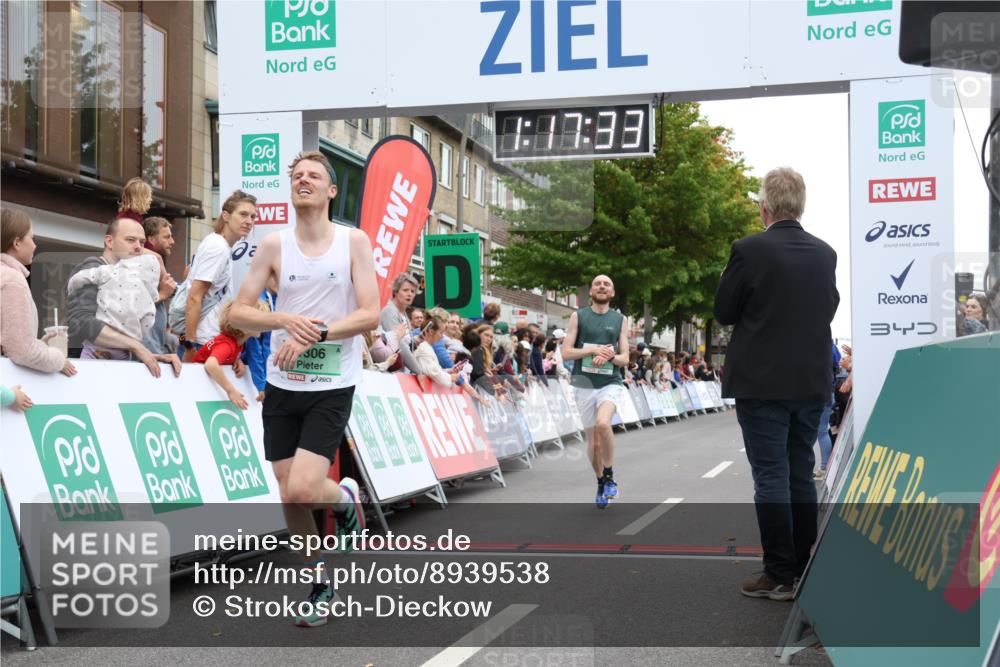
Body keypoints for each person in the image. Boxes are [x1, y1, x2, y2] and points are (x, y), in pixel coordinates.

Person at [229, 150, 378, 628]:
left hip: (333, 380)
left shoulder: (353, 242)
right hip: (282, 381)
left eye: (314, 176)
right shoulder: (274, 246)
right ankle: (319, 584)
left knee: (305, 487)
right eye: (296, 177)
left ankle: (342, 499)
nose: (304, 181)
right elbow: (238, 313)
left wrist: (313, 333)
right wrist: (283, 320)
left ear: (331, 191)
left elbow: (370, 313)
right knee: (288, 495)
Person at [714, 167, 839, 601]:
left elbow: (724, 310)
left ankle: (779, 573)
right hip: (809, 380)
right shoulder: (826, 253)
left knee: (770, 476)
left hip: (761, 381)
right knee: (800, 472)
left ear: (764, 207)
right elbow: (829, 307)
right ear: (800, 206)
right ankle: (804, 567)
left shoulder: (748, 249)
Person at [66, 217, 178, 377]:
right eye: (131, 240)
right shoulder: (92, 268)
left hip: (117, 372)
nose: (138, 247)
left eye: (142, 242)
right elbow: (81, 323)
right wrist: (136, 347)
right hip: (86, 374)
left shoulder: (131, 276)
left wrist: (152, 357)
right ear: (109, 242)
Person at [561, 275, 630, 509]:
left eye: (607, 284)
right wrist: (592, 351)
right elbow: (566, 353)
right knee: (593, 443)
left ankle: (609, 476)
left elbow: (625, 358)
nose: (602, 286)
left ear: (612, 293)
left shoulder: (620, 319)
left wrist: (611, 355)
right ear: (590, 291)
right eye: (597, 284)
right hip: (583, 384)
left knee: (603, 424)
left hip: (610, 382)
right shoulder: (578, 316)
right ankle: (600, 482)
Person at [180, 190, 257, 361]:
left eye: (253, 216)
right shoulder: (217, 248)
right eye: (243, 214)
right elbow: (194, 296)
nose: (249, 221)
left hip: (211, 339)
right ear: (226, 216)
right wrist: (190, 345)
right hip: (202, 341)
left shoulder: (221, 246)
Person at [1, 209, 76, 376]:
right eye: (32, 238)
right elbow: (20, 351)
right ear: (17, 243)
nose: (35, 245)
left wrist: (39, 345)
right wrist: (58, 359)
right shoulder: (12, 280)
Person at [193, 301, 253, 409]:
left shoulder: (237, 343)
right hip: (197, 384)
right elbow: (211, 365)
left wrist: (237, 360)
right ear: (245, 326)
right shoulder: (226, 344)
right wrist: (231, 391)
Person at [141, 217, 179, 355]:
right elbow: (135, 306)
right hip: (146, 350)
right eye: (167, 237)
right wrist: (163, 294)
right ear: (151, 239)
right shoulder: (144, 265)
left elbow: (172, 289)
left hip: (153, 346)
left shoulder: (153, 263)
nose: (172, 242)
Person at [379, 272, 421, 373]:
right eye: (405, 290)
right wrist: (419, 370)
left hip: (403, 371)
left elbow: (407, 345)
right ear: (396, 291)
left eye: (413, 291)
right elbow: (399, 344)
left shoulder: (404, 315)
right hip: (391, 373)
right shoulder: (389, 311)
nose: (410, 294)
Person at [414, 307, 465, 388]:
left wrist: (450, 370)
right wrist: (451, 377)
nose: (442, 337)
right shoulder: (423, 348)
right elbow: (434, 373)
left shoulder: (427, 347)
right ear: (431, 331)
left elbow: (434, 370)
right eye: (441, 333)